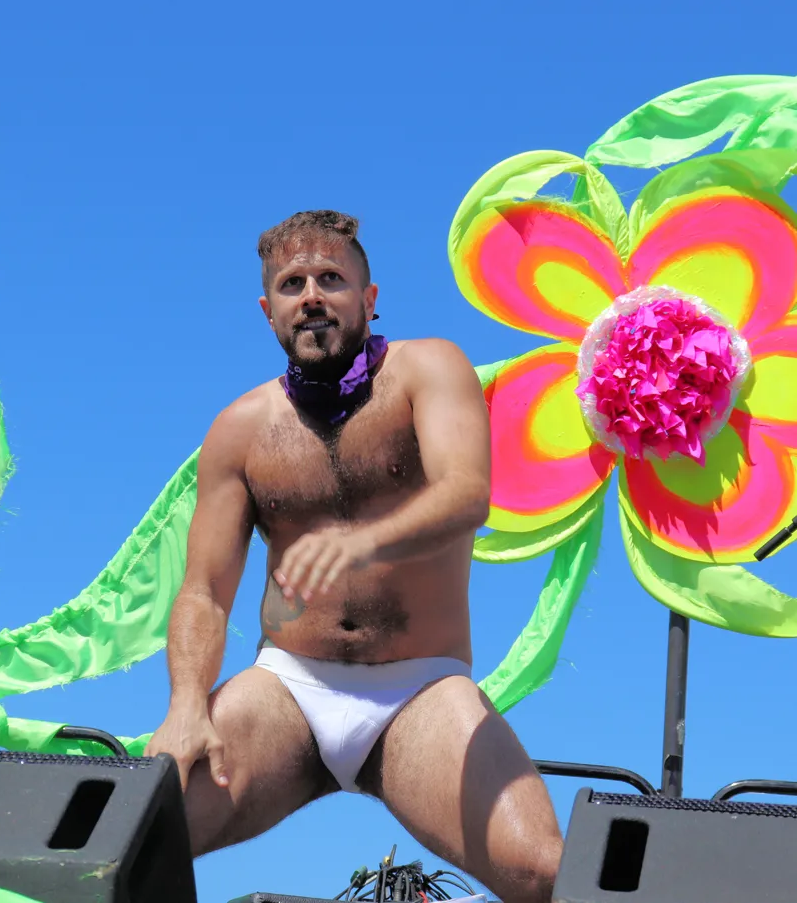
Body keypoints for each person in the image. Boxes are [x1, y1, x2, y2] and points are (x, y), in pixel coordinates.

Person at [146, 210, 564, 903]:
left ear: (369, 299)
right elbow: (205, 592)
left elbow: (467, 494)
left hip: (420, 689)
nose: (311, 295)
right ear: (268, 311)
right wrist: (186, 705)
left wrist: (362, 539)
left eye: (331, 278)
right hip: (287, 685)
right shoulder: (239, 430)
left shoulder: (430, 368)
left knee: (545, 871)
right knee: (134, 833)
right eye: (292, 283)